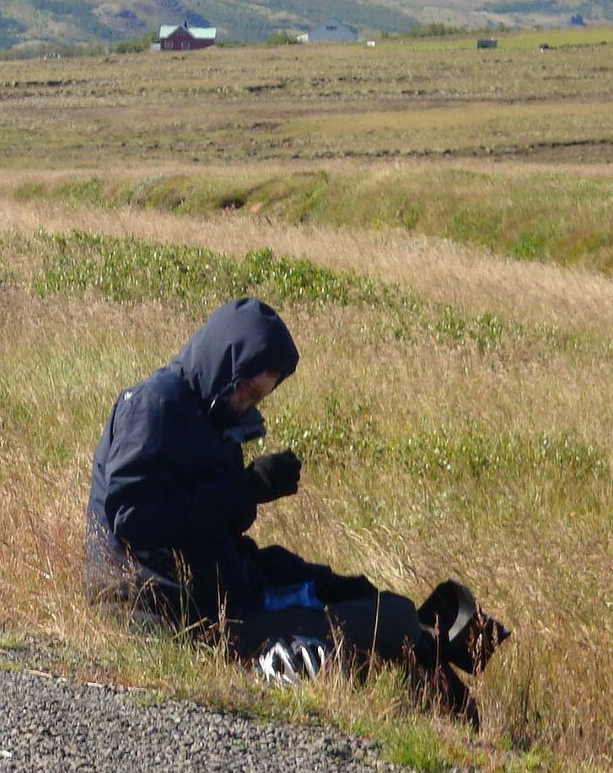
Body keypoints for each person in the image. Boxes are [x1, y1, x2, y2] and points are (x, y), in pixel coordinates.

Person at [85, 297, 505, 719]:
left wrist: (319, 577)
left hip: (223, 593)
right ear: (224, 360)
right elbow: (132, 519)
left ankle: (458, 711)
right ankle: (457, 714)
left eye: (259, 395)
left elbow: (214, 531)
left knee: (363, 597)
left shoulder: (209, 416)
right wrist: (246, 488)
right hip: (179, 616)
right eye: (247, 388)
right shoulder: (155, 407)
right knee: (394, 620)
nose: (249, 401)